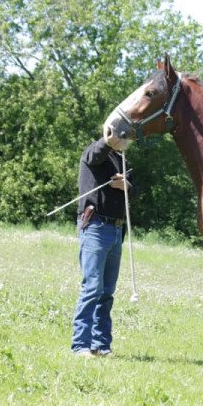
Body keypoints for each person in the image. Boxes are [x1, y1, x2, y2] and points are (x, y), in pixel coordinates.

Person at [71, 136, 137, 357]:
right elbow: (93, 155)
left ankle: (101, 344)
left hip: (117, 229)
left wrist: (126, 185)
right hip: (96, 226)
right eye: (122, 135)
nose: (125, 140)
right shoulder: (95, 153)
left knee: (107, 291)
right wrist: (108, 139)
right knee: (92, 288)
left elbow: (134, 195)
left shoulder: (123, 160)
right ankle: (81, 345)